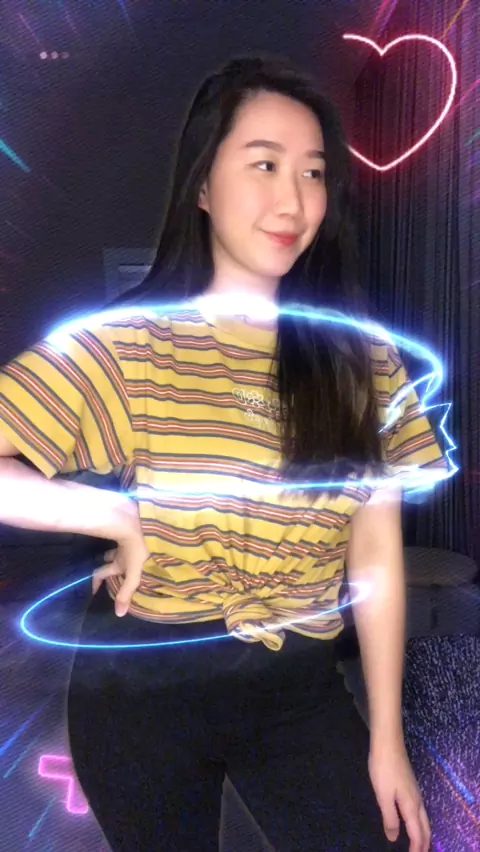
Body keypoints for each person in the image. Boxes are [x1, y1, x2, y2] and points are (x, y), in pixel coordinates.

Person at [0, 55, 446, 851]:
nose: (294, 199)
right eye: (264, 164)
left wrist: (388, 740)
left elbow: (375, 549)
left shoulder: (365, 365)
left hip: (299, 692)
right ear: (203, 186)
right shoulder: (127, 346)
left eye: (314, 172)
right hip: (141, 691)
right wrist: (113, 513)